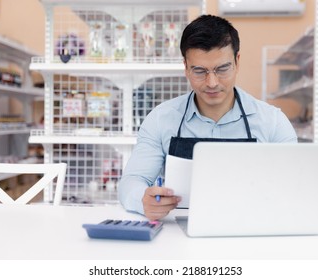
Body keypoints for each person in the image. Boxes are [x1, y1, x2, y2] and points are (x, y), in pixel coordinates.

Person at [118, 14, 298, 221]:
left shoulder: (273, 122)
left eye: (222, 69)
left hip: (252, 229)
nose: (212, 82)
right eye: (199, 71)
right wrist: (143, 199)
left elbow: (294, 184)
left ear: (237, 62)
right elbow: (132, 180)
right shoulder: (161, 119)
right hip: (180, 233)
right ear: (185, 67)